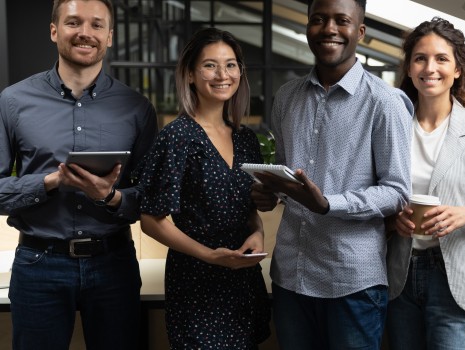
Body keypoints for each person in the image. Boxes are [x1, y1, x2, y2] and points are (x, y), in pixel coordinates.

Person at [250, 0, 413, 348]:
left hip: (352, 283)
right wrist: (271, 193)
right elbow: (285, 172)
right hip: (290, 277)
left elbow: (397, 190)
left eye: (342, 20)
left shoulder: (385, 101)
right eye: (318, 19)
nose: (329, 29)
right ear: (307, 26)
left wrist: (328, 204)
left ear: (361, 31)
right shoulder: (286, 97)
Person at [0, 0, 158, 349]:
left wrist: (110, 197)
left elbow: (151, 197)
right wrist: (50, 182)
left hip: (114, 264)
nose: (85, 33)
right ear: (54, 30)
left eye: (97, 25)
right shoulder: (12, 101)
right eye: (74, 23)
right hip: (39, 264)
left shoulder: (137, 108)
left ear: (110, 36)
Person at [136, 27, 271, 349]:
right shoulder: (177, 136)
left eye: (231, 64)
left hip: (242, 281)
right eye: (210, 65)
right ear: (191, 75)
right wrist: (211, 256)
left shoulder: (246, 138)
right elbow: (150, 219)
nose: (222, 74)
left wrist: (258, 234)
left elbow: (247, 206)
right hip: (197, 281)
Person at [385, 17, 465, 350]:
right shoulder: (391, 126)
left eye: (442, 58)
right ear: (409, 68)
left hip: (455, 276)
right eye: (420, 58)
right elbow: (376, 195)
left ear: (457, 70)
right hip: (398, 271)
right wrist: (391, 220)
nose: (430, 67)